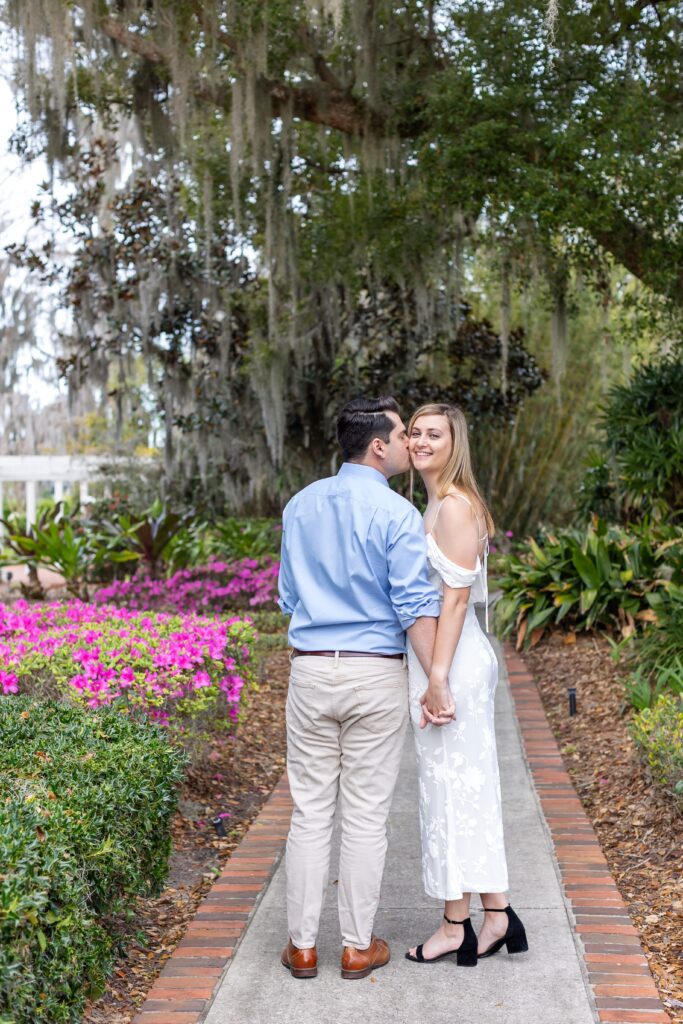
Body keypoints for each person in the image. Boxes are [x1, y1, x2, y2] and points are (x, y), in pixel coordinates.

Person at [277, 396, 441, 980]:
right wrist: (435, 681)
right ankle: (354, 946)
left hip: (312, 668)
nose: (408, 444)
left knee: (310, 813)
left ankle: (300, 947)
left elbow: (288, 597)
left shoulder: (300, 506)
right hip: (374, 672)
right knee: (367, 816)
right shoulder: (396, 514)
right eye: (402, 436)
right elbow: (414, 604)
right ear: (378, 445)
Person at [404, 402, 528, 966]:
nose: (422, 441)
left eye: (435, 433)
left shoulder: (454, 506)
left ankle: (457, 926)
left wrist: (436, 677)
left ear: (456, 444)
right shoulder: (433, 501)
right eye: (415, 432)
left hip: (450, 660)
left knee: (449, 792)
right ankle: (498, 913)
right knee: (462, 788)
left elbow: (454, 600)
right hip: (443, 657)